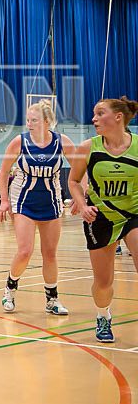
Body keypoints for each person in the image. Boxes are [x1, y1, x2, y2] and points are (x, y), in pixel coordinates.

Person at [68, 96, 138, 343]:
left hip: (133, 214)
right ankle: (103, 315)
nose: (93, 119)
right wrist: (82, 204)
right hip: (101, 217)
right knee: (103, 282)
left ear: (118, 117)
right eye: (94, 114)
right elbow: (73, 181)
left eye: (100, 114)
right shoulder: (88, 147)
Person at [0, 101, 76, 315]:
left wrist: (81, 195)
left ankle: (52, 299)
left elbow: (80, 168)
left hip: (51, 201)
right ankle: (10, 288)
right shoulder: (19, 141)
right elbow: (3, 172)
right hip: (23, 200)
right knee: (25, 251)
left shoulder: (62, 142)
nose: (29, 124)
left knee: (50, 253)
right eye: (28, 120)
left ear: (47, 121)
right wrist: (4, 200)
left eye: (34, 120)